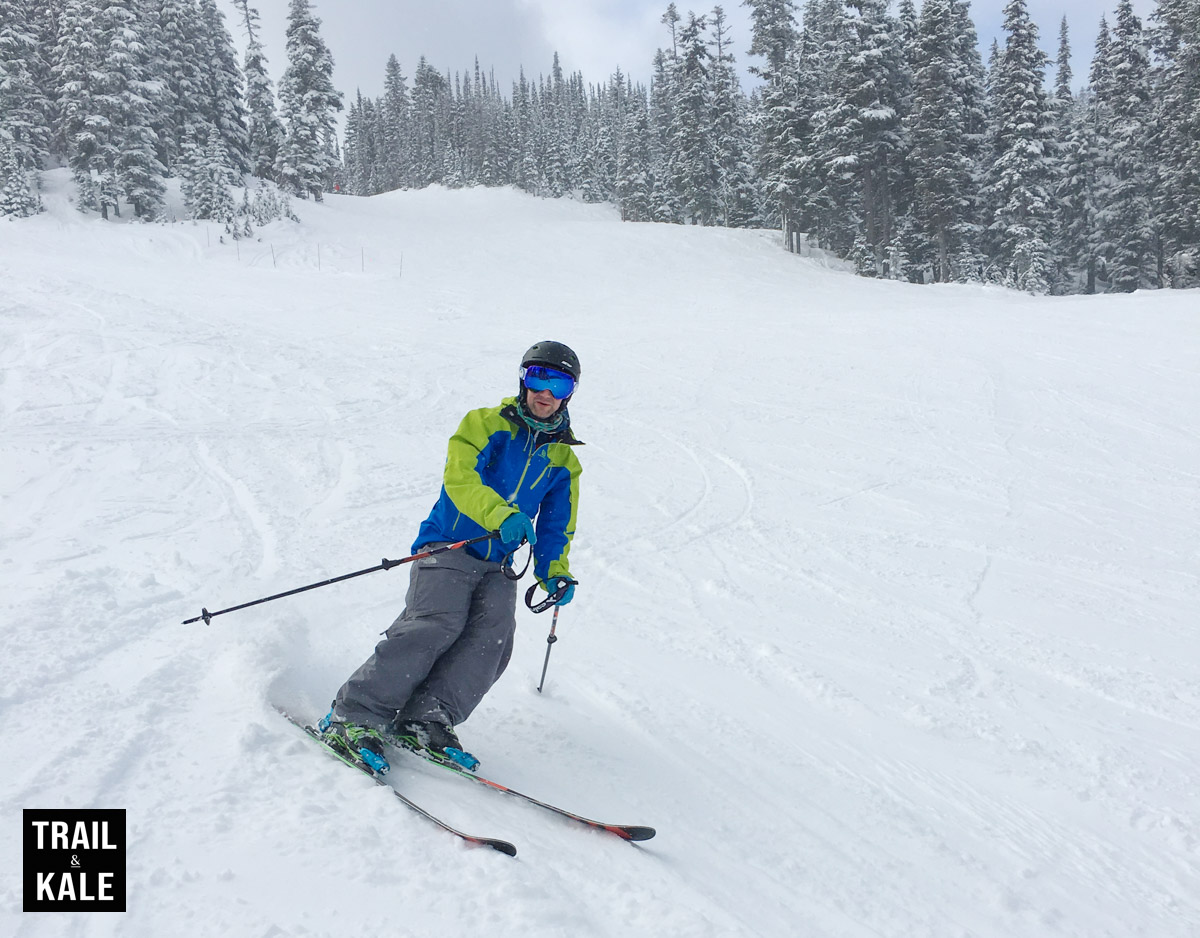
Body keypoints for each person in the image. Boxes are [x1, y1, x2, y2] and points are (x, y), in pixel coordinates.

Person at [319, 341, 583, 773]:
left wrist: (554, 572)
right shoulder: (484, 424)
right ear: (522, 380)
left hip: (498, 563)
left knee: (492, 640)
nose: (545, 391)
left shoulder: (564, 461)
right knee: (435, 624)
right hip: (449, 545)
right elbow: (460, 479)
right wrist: (501, 514)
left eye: (558, 382)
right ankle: (354, 716)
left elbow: (557, 527)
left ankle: (427, 718)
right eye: (537, 377)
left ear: (570, 392)